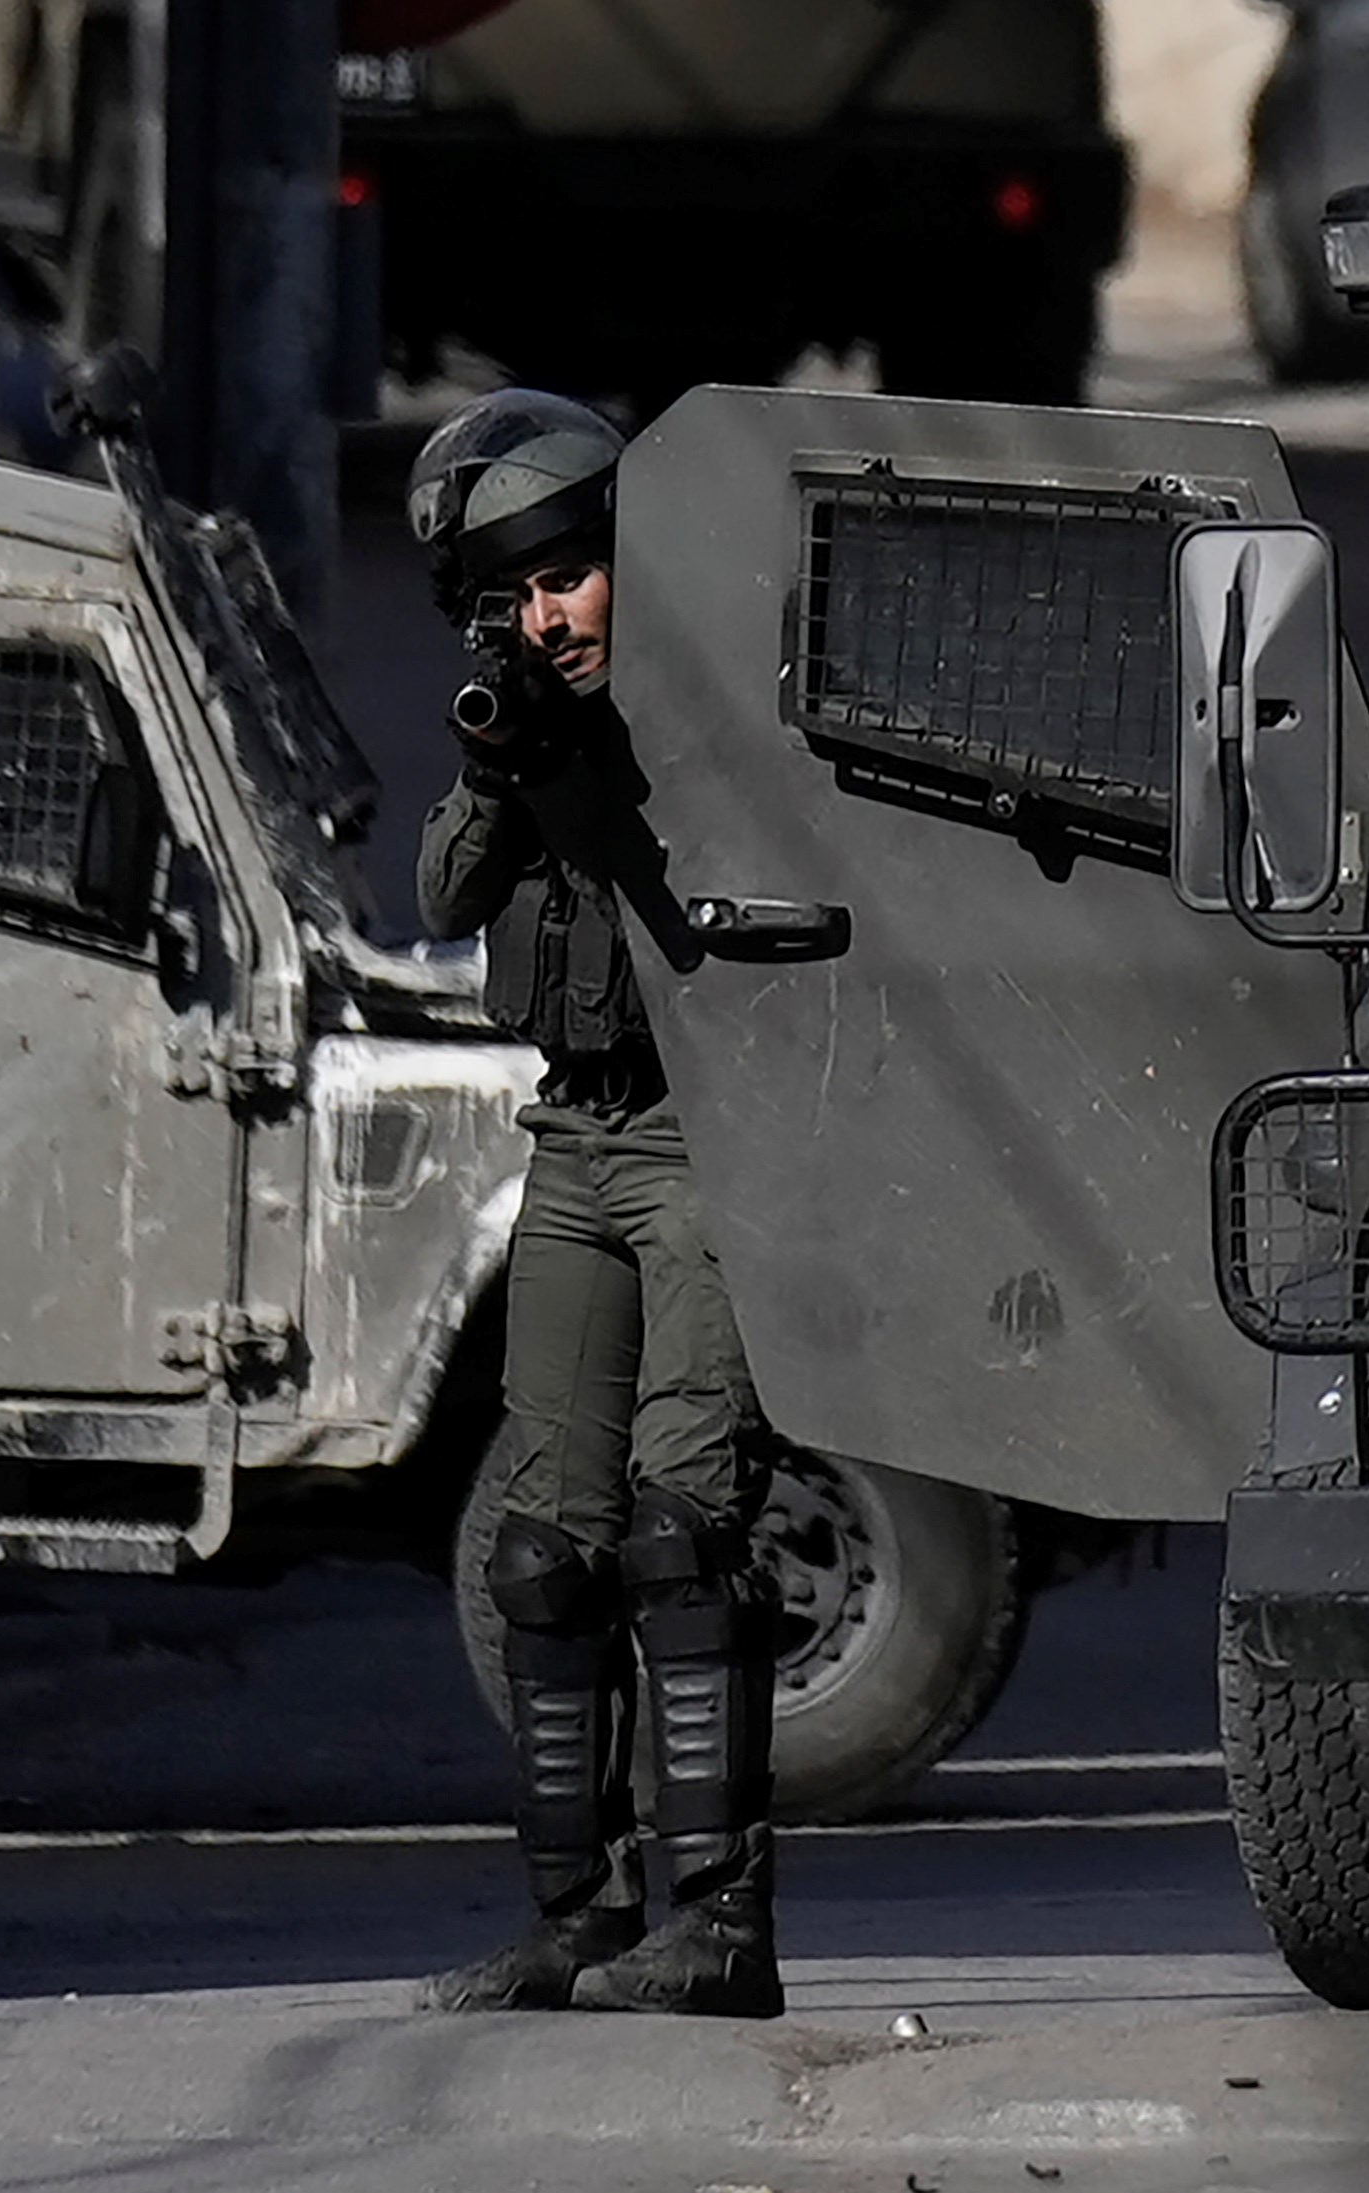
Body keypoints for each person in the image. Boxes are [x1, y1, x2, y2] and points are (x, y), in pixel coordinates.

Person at [408, 390, 781, 2022]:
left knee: (681, 1535)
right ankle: (576, 1910)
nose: (551, 614)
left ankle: (718, 1921)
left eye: (570, 574)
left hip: (708, 1143)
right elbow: (440, 891)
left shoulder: (707, 707)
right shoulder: (525, 719)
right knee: (544, 1552)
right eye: (520, 593)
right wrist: (503, 760)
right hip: (575, 1138)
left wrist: (597, 749)